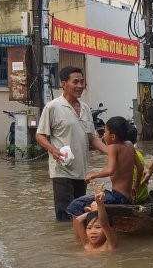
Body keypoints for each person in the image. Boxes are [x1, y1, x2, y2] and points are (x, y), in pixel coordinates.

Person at [35, 66, 105, 221]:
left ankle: (78, 243)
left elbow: (92, 137)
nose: (80, 86)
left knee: (80, 214)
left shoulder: (85, 108)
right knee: (65, 217)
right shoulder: (53, 107)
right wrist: (52, 150)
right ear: (64, 83)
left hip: (82, 171)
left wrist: (110, 152)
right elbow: (40, 135)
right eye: (76, 82)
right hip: (62, 171)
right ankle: (64, 244)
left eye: (82, 82)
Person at [65, 116, 141, 217]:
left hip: (117, 197)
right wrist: (135, 186)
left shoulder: (113, 147)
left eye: (105, 132)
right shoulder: (130, 145)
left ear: (113, 137)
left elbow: (110, 170)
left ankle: (88, 227)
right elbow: (140, 168)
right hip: (127, 198)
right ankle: (92, 215)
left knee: (74, 205)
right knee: (88, 204)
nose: (103, 135)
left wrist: (92, 175)